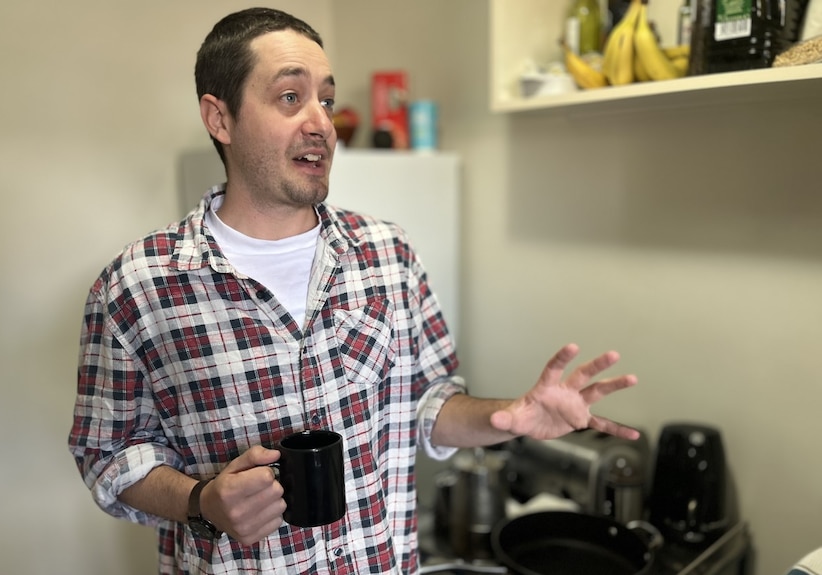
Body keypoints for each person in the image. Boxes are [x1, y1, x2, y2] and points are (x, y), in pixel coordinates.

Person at [68, 7, 640, 574]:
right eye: (290, 98)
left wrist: (509, 415)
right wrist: (202, 501)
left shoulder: (388, 253)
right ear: (220, 119)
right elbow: (108, 455)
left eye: (326, 99)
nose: (320, 122)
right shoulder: (139, 285)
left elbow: (427, 404)